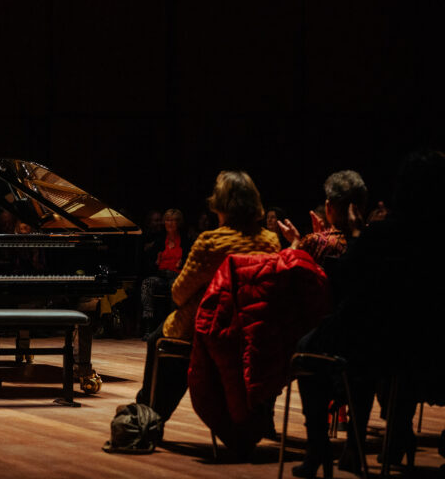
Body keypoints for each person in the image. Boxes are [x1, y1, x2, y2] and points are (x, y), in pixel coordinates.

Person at [292, 151, 445, 478]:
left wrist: (360, 237)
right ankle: (389, 437)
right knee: (387, 357)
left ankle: (320, 446)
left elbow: (348, 279)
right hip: (426, 345)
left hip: (375, 338)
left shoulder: (384, 233)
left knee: (312, 350)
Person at [135, 171, 281, 422]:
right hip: (252, 327)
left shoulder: (211, 242)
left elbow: (179, 293)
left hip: (208, 326)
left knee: (158, 340)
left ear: (221, 204)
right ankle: (261, 416)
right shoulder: (270, 241)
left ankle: (150, 413)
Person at [278, 170, 367, 266]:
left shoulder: (315, 242)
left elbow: (284, 267)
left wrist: (296, 242)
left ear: (328, 207)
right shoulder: (376, 240)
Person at [140, 209, 190, 339]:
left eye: (173, 220)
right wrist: (156, 262)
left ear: (179, 223)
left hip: (177, 276)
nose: (170, 223)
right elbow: (150, 265)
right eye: (167, 220)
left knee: (175, 286)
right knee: (148, 283)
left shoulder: (186, 241)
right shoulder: (160, 241)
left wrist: (182, 262)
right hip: (162, 276)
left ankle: (172, 327)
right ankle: (148, 328)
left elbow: (190, 262)